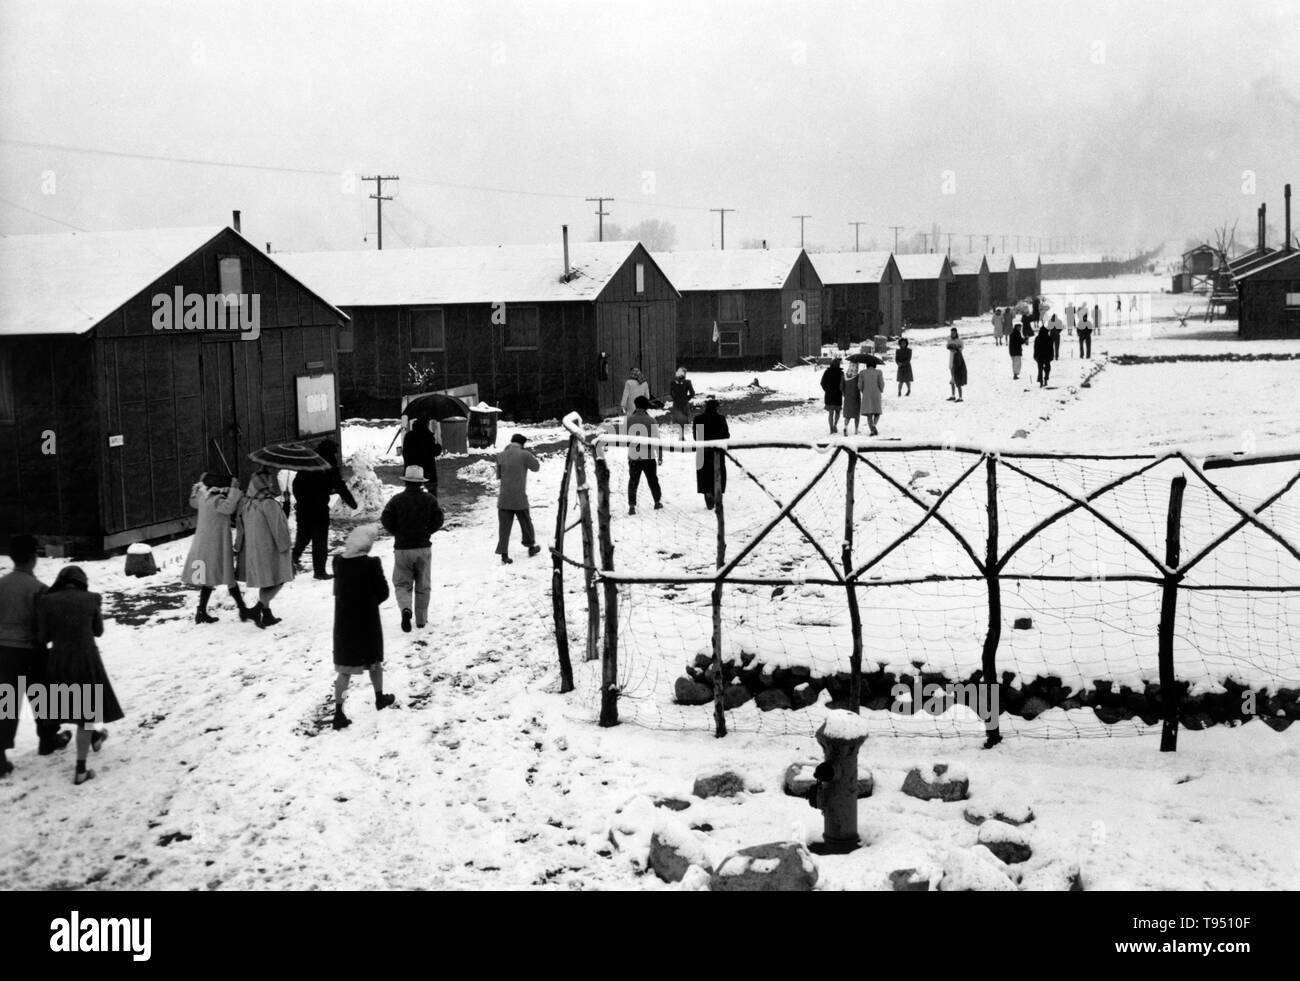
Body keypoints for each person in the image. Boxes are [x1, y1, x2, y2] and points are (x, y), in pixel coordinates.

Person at [36, 566, 123, 786]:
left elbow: (43, 637)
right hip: (86, 659)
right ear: (82, 582)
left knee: (68, 705)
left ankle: (94, 738)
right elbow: (98, 631)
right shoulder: (92, 598)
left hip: (58, 660)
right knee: (86, 716)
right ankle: (81, 769)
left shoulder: (47, 601)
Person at [0, 534, 68, 776]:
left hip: (3, 652)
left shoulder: (1, 584)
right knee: (44, 695)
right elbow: (45, 627)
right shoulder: (39, 589)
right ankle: (48, 739)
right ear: (33, 558)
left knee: (6, 701)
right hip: (30, 650)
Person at [330, 525, 394, 730]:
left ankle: (339, 711)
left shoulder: (338, 562)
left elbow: (336, 591)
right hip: (367, 622)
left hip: (344, 624)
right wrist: (368, 601)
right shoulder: (372, 564)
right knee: (374, 662)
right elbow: (383, 592)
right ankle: (379, 697)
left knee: (344, 671)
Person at [380, 465, 444, 630]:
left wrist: (397, 532)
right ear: (421, 482)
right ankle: (421, 620)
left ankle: (406, 609)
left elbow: (385, 518)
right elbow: (439, 519)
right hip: (423, 547)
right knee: (423, 585)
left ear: (406, 482)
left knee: (402, 584)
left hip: (402, 548)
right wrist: (428, 531)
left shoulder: (396, 500)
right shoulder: (429, 499)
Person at [184, 473, 254, 624]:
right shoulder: (218, 500)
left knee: (207, 578)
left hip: (203, 543)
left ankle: (201, 611)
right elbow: (229, 508)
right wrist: (235, 489)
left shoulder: (203, 498)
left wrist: (197, 487)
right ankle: (242, 609)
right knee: (228, 576)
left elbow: (192, 502)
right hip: (217, 543)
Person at [235, 468, 295, 628]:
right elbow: (278, 527)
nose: (270, 482)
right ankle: (258, 608)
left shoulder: (247, 503)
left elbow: (241, 527)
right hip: (271, 549)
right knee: (280, 579)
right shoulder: (268, 503)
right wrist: (286, 547)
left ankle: (266, 614)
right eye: (268, 479)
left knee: (267, 582)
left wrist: (286, 504)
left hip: (254, 550)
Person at [291, 439, 358, 580]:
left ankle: (290, 561)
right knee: (319, 539)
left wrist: (301, 500)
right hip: (319, 508)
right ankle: (319, 571)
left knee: (302, 537)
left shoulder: (309, 460)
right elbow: (339, 484)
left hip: (304, 508)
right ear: (331, 451)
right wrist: (352, 503)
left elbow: (296, 484)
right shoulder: (328, 463)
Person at [495, 433, 541, 564]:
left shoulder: (500, 455)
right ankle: (531, 547)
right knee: (526, 523)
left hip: (504, 497)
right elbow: (536, 467)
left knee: (504, 528)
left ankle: (504, 554)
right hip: (519, 497)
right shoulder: (524, 454)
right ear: (522, 443)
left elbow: (498, 475)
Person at [625, 395, 663, 514]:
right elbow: (657, 439)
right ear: (646, 406)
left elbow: (625, 439)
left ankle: (632, 505)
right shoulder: (651, 420)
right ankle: (657, 502)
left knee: (633, 481)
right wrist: (660, 455)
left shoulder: (628, 420)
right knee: (652, 480)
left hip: (634, 456)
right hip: (648, 456)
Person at [694, 397, 729, 509]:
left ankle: (707, 493)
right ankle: (716, 493)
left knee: (704, 474)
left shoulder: (698, 419)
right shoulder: (720, 419)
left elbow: (697, 437)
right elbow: (726, 435)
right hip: (717, 451)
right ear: (716, 408)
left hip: (702, 451)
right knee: (718, 474)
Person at [402, 420, 442, 494]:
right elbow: (434, 451)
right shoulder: (428, 437)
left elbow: (404, 452)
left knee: (412, 491)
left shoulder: (408, 436)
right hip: (428, 469)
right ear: (426, 425)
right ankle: (431, 504)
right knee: (431, 492)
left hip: (411, 469)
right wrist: (438, 447)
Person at [668, 367, 696, 440]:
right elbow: (692, 393)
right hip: (684, 403)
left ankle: (681, 436)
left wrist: (675, 399)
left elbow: (671, 393)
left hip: (676, 403)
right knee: (683, 419)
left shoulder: (673, 383)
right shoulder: (687, 382)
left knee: (678, 419)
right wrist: (686, 398)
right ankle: (681, 436)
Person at [859, 360, 885, 436]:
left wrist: (863, 391)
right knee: (877, 412)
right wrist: (881, 389)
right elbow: (881, 383)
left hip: (866, 394)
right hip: (876, 393)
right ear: (875, 365)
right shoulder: (879, 372)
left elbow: (859, 385)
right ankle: (874, 425)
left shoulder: (862, 372)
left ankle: (872, 430)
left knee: (869, 413)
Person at [820, 358, 844, 434]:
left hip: (829, 395)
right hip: (838, 395)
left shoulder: (827, 372)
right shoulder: (841, 373)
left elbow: (822, 383)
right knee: (837, 412)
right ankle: (835, 425)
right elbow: (843, 384)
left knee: (831, 413)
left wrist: (826, 390)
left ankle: (831, 427)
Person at [841, 362, 863, 435]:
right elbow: (860, 386)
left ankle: (845, 427)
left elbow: (841, 387)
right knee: (856, 415)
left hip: (847, 397)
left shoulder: (844, 376)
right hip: (856, 397)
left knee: (848, 415)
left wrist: (844, 394)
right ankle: (856, 430)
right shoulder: (858, 376)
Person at [946, 328, 967, 401]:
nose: (952, 334)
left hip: (957, 360)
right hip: (951, 360)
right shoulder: (949, 340)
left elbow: (961, 348)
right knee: (952, 378)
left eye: (954, 333)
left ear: (956, 333)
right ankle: (953, 395)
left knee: (957, 379)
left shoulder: (959, 341)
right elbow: (947, 346)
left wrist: (956, 348)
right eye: (951, 333)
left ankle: (960, 396)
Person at [1033, 321, 1055, 387]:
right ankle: (1046, 378)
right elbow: (1051, 348)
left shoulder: (1037, 338)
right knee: (1047, 368)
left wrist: (1035, 356)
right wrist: (1052, 356)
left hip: (1039, 356)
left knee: (1040, 369)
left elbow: (1035, 348)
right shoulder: (1049, 338)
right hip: (1047, 356)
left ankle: (1041, 381)